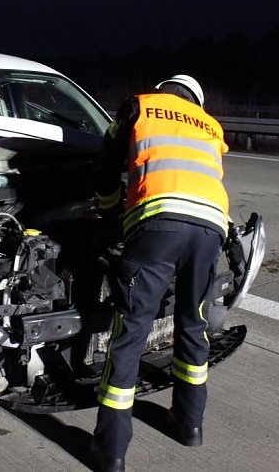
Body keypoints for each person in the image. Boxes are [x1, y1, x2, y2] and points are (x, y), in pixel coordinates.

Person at [90, 74, 230, 471]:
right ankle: (189, 426)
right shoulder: (209, 124)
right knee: (193, 325)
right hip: (209, 229)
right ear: (196, 100)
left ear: (163, 89)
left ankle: (111, 451)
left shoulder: (140, 105)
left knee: (131, 333)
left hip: (158, 224)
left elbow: (107, 163)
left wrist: (108, 208)